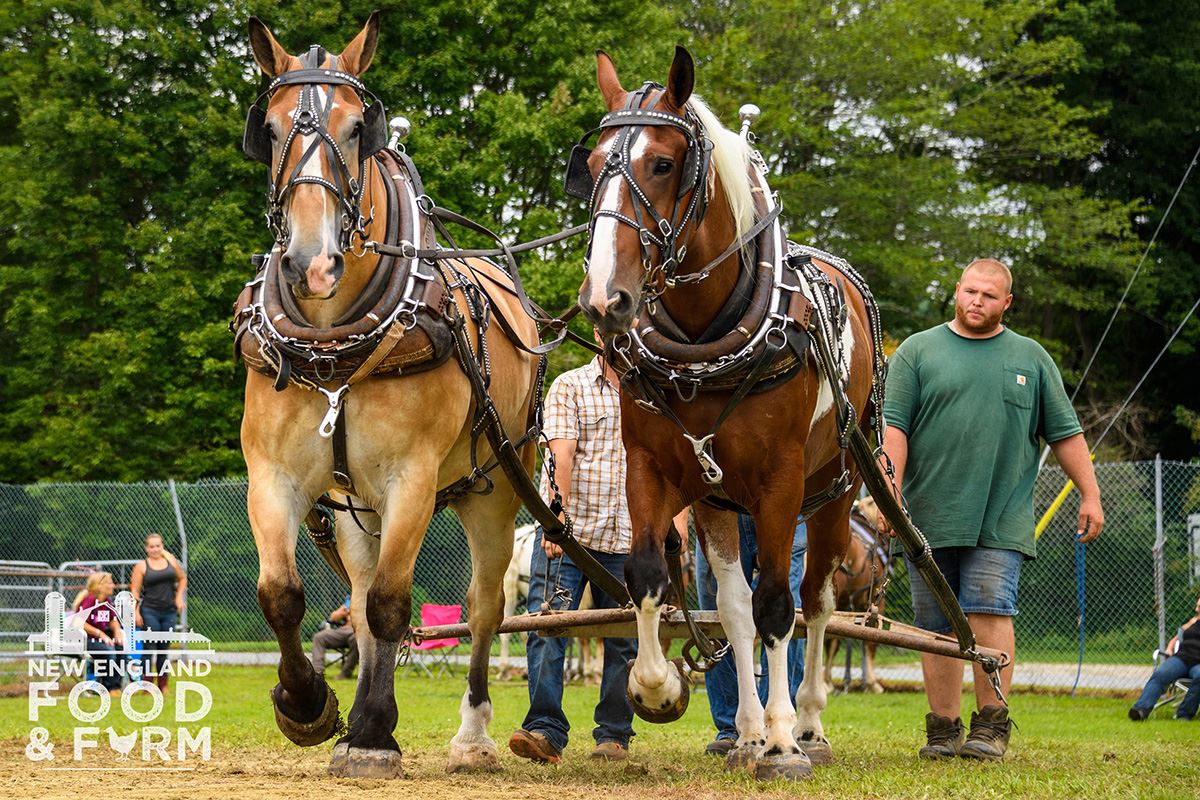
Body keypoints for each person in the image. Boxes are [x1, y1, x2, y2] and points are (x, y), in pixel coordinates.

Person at [880, 258, 1104, 761]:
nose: (976, 301)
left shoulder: (1030, 357)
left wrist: (1090, 494)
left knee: (989, 611)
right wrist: (889, 495)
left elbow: (1065, 433)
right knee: (934, 625)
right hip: (927, 515)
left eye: (989, 295)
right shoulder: (918, 351)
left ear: (1007, 303)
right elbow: (894, 430)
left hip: (1000, 516)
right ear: (957, 292)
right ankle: (943, 730)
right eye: (970, 291)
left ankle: (990, 727)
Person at [509, 338, 637, 764]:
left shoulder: (650, 388)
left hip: (627, 539)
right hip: (569, 538)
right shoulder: (570, 385)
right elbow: (560, 453)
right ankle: (545, 730)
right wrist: (555, 518)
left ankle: (614, 735)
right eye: (608, 326)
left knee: (623, 642)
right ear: (597, 333)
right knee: (548, 628)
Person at [693, 512, 806, 756]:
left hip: (782, 499)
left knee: (784, 608)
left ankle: (776, 721)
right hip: (720, 507)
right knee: (715, 611)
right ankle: (729, 726)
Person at [130, 533, 187, 692]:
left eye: (158, 546)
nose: (155, 549)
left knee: (164, 648)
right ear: (146, 548)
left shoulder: (171, 562)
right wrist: (136, 612)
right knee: (149, 647)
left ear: (162, 546)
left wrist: (178, 598)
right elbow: (135, 590)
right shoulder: (141, 566)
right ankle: (147, 685)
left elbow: (182, 579)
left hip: (169, 611)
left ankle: (163, 685)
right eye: (151, 546)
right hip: (149, 610)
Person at [1129, 595, 1200, 721]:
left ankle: (1183, 715)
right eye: (1197, 606)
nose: (1196, 609)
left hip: (1198, 664)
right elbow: (1178, 636)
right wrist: (1169, 647)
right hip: (1181, 659)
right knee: (1160, 674)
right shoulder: (1194, 620)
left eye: (1199, 607)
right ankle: (1141, 710)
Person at [77, 571, 126, 696]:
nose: (113, 586)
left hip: (97, 639)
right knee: (108, 650)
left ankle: (115, 686)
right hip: (82, 640)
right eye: (109, 583)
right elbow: (79, 622)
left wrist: (117, 632)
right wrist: (101, 634)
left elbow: (113, 619)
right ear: (99, 586)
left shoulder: (106, 601)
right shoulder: (90, 600)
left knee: (120, 647)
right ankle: (107, 687)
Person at [311, 596, 358, 680]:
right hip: (343, 630)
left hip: (358, 632)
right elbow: (333, 618)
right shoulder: (348, 601)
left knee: (356, 640)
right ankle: (318, 673)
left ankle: (345, 674)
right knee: (318, 637)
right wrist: (343, 611)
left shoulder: (367, 600)